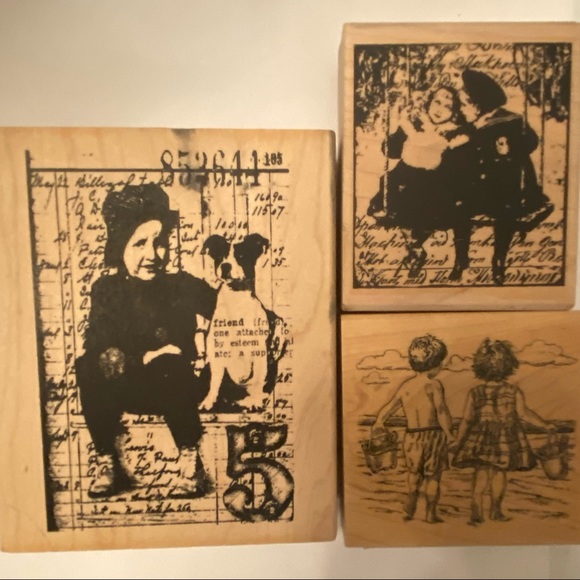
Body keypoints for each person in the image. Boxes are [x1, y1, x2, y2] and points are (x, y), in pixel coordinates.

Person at [75, 183, 217, 499]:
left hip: (179, 385)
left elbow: (226, 306)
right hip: (129, 385)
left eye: (160, 243)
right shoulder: (106, 290)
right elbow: (99, 348)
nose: (153, 255)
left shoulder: (181, 285)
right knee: (86, 365)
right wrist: (145, 357)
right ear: (119, 247)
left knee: (170, 364)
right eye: (140, 243)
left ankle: (189, 460)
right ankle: (106, 460)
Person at [443, 69, 551, 284]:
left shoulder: (511, 120)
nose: (462, 104)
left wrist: (509, 148)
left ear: (478, 100)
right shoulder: (469, 123)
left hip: (507, 187)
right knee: (458, 207)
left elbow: (531, 141)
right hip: (476, 188)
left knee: (505, 212)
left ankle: (498, 260)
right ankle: (461, 260)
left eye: (466, 98)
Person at [368, 86, 469, 278]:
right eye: (437, 102)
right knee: (394, 205)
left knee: (425, 211)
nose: (440, 109)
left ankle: (417, 248)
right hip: (404, 179)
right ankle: (415, 248)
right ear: (428, 102)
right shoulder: (413, 123)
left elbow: (459, 168)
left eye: (448, 106)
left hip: (436, 183)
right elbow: (391, 152)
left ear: (454, 112)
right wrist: (395, 134)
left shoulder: (456, 133)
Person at [452, 339, 556, 525]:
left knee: (481, 473)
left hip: (481, 439)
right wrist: (545, 425)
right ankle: (496, 510)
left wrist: (458, 441)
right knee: (500, 474)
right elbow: (524, 414)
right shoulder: (513, 391)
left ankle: (476, 511)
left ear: (480, 366)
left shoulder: (476, 392)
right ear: (509, 365)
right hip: (505, 440)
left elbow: (466, 420)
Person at [372, 335, 455, 523]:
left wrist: (379, 422)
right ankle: (430, 513)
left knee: (413, 473)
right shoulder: (434, 385)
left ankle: (410, 506)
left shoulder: (406, 387)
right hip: (433, 435)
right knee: (433, 477)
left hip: (412, 437)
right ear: (435, 364)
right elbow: (441, 411)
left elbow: (389, 407)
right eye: (440, 362)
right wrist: (450, 434)